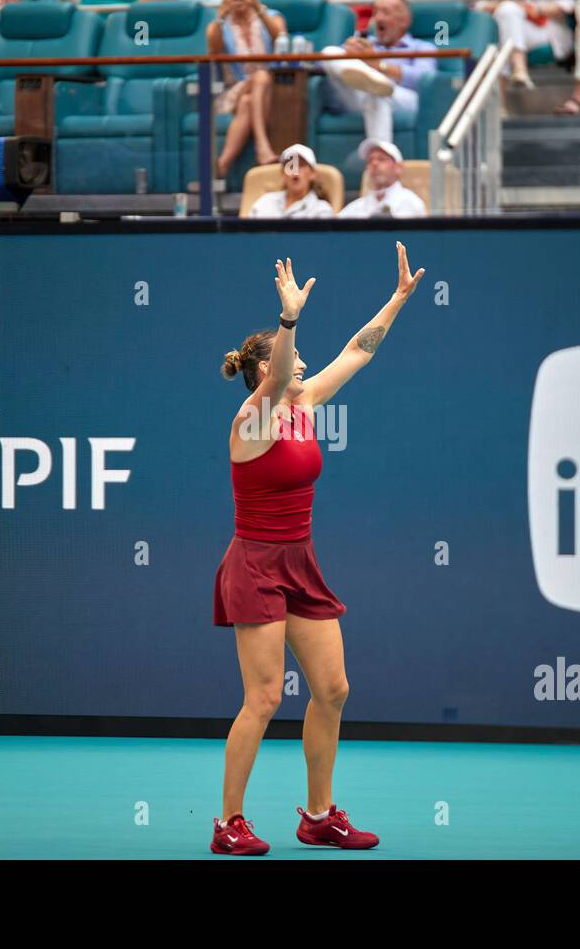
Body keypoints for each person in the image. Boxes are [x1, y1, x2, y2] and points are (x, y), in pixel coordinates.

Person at [212, 242, 424, 855]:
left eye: (299, 354)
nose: (302, 364)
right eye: (291, 358)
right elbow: (279, 374)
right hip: (253, 565)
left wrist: (398, 299)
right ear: (262, 373)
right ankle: (228, 824)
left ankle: (318, 815)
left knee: (332, 689)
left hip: (300, 562)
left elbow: (358, 352)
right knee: (265, 697)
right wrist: (287, 319)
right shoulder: (251, 422)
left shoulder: (303, 408)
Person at [317, 0, 436, 145]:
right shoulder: (363, 43)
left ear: (404, 21)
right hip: (359, 94)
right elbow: (323, 66)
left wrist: (378, 65)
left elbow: (423, 79)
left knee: (378, 94)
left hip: (401, 96)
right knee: (330, 51)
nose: (378, 18)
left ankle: (381, 159)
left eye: (385, 13)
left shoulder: (422, 47)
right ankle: (374, 82)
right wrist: (349, 54)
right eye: (375, 13)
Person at [208, 0, 286, 176]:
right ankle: (262, 146)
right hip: (234, 90)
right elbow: (214, 49)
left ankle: (222, 165)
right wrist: (221, 16)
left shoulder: (271, 15)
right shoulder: (219, 25)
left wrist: (259, 9)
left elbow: (281, 37)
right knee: (260, 77)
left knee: (248, 103)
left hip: (271, 90)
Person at [475, 0, 575, 89]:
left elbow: (567, 4)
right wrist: (508, 3)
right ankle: (519, 69)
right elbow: (480, 5)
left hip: (550, 34)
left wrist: (533, 9)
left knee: (504, 41)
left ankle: (501, 102)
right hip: (517, 31)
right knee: (507, 11)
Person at [337, 138, 426, 217]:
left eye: (381, 159)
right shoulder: (356, 208)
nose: (374, 164)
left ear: (398, 168)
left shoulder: (411, 204)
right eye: (370, 160)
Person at [247, 143, 337, 218]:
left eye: (301, 165)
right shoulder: (265, 201)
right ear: (283, 174)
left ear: (312, 174)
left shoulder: (322, 211)